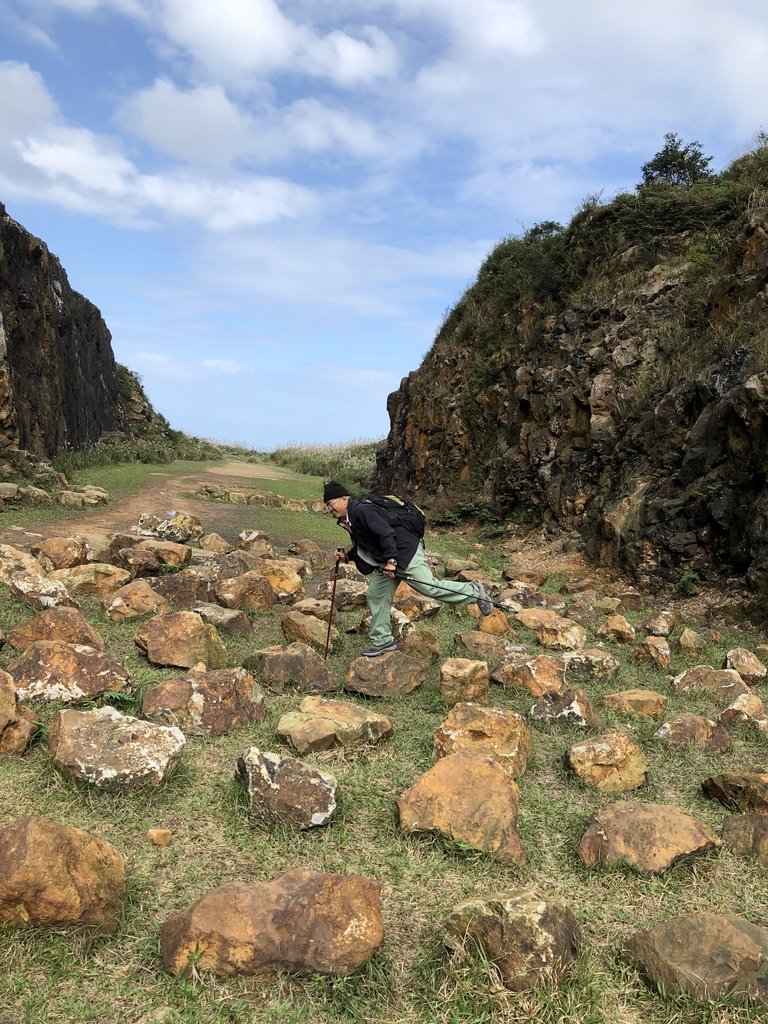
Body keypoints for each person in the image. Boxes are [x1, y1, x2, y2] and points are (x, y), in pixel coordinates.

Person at [323, 480, 494, 657]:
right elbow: (367, 543)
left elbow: (386, 534)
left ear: (344, 498)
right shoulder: (349, 518)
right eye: (327, 505)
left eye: (331, 503)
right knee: (376, 594)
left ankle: (474, 592)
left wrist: (392, 562)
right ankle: (382, 641)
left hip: (404, 553)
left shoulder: (362, 510)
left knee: (429, 587)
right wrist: (348, 556)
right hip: (387, 560)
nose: (329, 508)